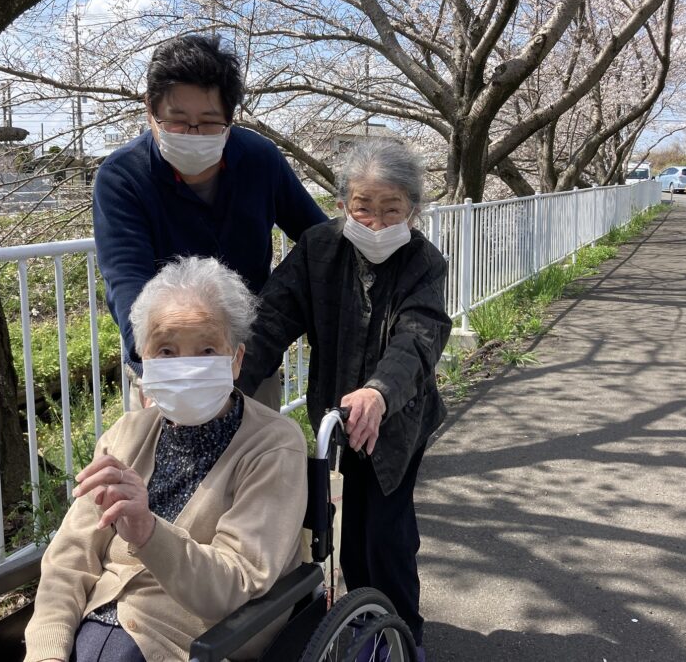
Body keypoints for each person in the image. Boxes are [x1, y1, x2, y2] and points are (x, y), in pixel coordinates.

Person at [24, 256, 308, 662]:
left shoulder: (273, 447)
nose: (187, 367)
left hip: (197, 638)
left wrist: (146, 533)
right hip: (95, 625)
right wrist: (47, 651)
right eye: (166, 351)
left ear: (237, 359)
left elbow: (239, 583)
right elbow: (71, 557)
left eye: (207, 349)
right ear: (144, 361)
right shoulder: (126, 435)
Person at [237, 140, 451, 661]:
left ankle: (405, 634)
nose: (376, 222)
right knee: (351, 529)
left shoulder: (424, 260)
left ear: (413, 208)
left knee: (385, 532)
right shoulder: (318, 249)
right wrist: (227, 379)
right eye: (363, 207)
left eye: (391, 208)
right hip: (339, 413)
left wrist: (380, 392)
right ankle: (364, 619)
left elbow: (418, 337)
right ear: (343, 203)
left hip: (397, 419)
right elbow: (272, 319)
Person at [93, 34, 327, 410]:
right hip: (165, 365)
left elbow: (318, 238)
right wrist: (151, 368)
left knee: (258, 458)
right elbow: (126, 280)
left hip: (245, 358)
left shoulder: (260, 160)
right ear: (150, 110)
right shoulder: (122, 177)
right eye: (178, 122)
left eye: (208, 122)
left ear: (230, 119)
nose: (193, 134)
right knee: (162, 465)